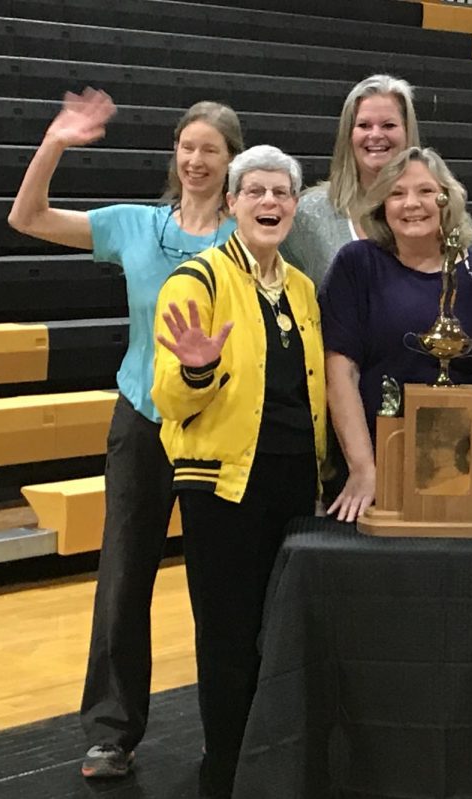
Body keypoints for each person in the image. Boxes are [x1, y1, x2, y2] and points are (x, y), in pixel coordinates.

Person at [7, 88, 243, 779]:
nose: (197, 159)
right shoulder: (137, 225)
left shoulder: (246, 233)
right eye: (188, 146)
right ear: (176, 153)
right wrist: (54, 142)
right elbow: (27, 217)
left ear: (232, 160)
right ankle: (112, 729)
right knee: (122, 578)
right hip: (141, 419)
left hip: (217, 425)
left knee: (219, 586)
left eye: (212, 149)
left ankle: (227, 730)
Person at [152, 145, 325, 799]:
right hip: (222, 485)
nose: (270, 203)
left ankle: (276, 764)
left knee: (283, 636)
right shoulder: (197, 281)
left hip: (294, 484)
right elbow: (170, 396)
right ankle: (223, 773)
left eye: (282, 192)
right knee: (227, 636)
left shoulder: (304, 288)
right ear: (230, 203)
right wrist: (199, 367)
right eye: (254, 191)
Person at [319, 146, 472, 522]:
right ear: (381, 205)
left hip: (462, 473)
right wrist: (364, 468)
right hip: (371, 466)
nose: (411, 204)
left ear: (446, 199)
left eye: (424, 191)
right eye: (397, 193)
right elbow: (340, 372)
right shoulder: (356, 264)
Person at [281, 74, 421, 285]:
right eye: (364, 125)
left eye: (388, 125)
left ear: (408, 132)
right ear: (349, 135)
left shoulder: (437, 209)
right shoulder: (308, 215)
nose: (375, 135)